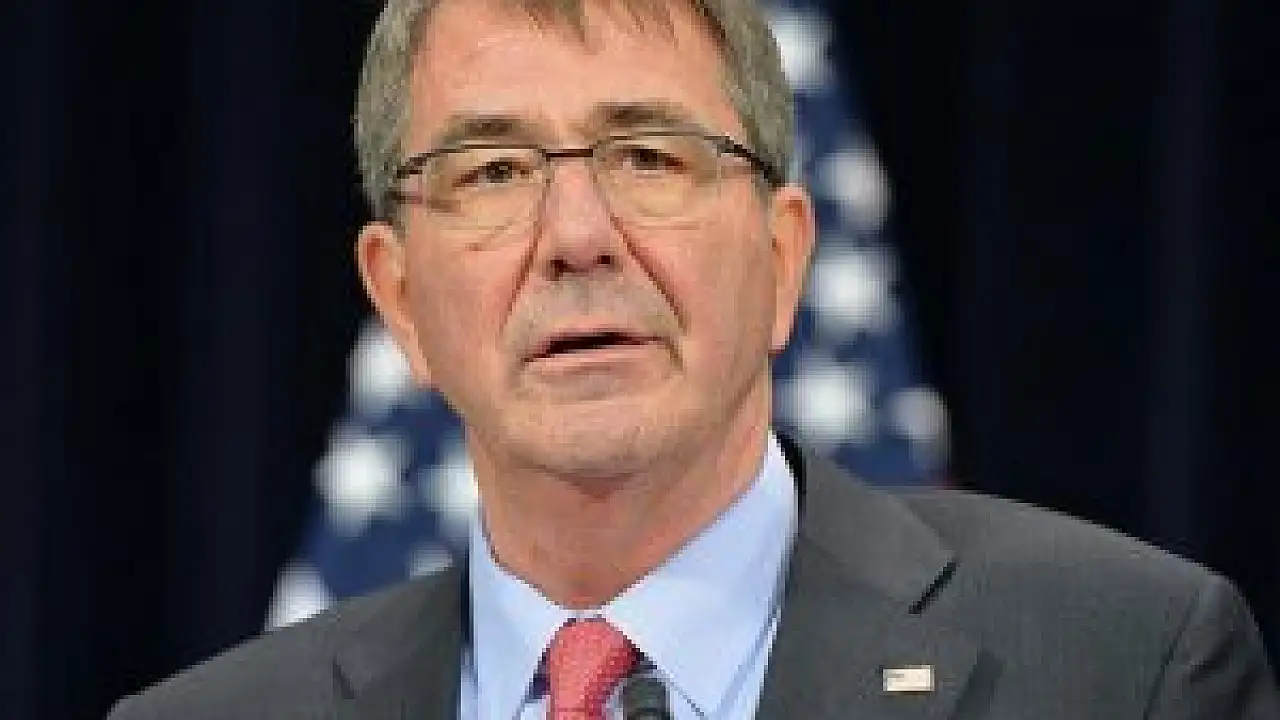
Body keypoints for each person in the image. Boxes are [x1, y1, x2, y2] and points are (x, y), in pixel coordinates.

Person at [109, 0, 1278, 717]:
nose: (575, 238)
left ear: (781, 257)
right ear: (400, 299)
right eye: (493, 172)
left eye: (649, 157)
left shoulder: (1121, 668)